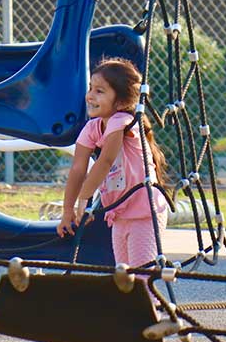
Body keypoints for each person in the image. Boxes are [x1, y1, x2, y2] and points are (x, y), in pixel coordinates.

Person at [57, 58, 169, 273]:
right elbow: (78, 169)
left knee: (142, 275)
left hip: (145, 211)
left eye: (100, 91)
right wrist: (67, 211)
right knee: (124, 275)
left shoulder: (122, 120)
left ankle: (151, 306)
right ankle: (132, 307)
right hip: (119, 214)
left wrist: (85, 200)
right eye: (90, 88)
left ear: (119, 102)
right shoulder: (92, 128)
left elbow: (106, 160)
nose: (90, 95)